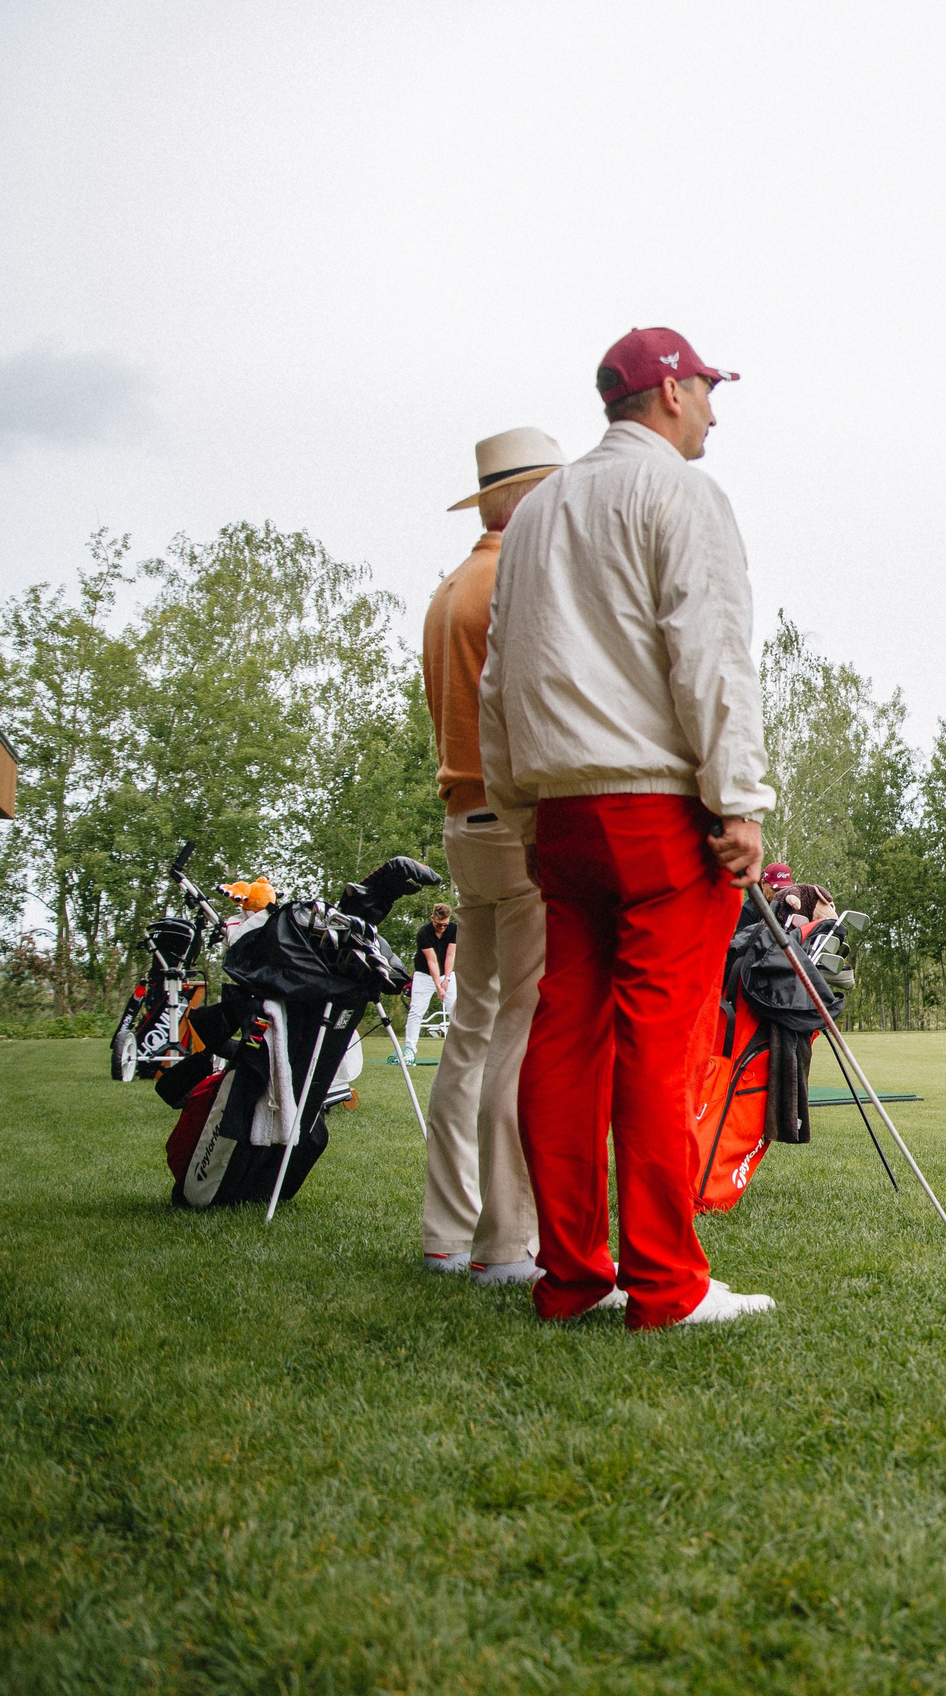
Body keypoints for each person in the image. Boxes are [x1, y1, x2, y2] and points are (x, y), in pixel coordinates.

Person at [478, 327, 777, 1329]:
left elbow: (499, 679)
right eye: (707, 388)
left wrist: (521, 810)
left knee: (564, 1034)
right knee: (660, 1041)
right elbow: (712, 652)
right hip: (655, 808)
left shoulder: (535, 512)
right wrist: (738, 797)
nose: (715, 408)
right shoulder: (681, 492)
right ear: (669, 393)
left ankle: (572, 1275)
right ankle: (664, 1284)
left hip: (561, 810)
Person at [417, 426, 561, 1282]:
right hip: (513, 823)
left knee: (469, 1028)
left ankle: (446, 1228)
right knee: (522, 1025)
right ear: (526, 496)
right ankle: (505, 1241)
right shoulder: (515, 580)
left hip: (460, 822)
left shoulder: (449, 587)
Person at [401, 903, 457, 1059]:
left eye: (445, 924)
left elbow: (450, 955)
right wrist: (438, 987)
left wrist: (446, 979)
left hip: (446, 974)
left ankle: (457, 1051)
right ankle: (410, 1051)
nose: (442, 928)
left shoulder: (453, 929)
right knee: (416, 1011)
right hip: (424, 975)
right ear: (433, 919)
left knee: (456, 1011)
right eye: (439, 925)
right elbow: (432, 961)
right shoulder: (424, 933)